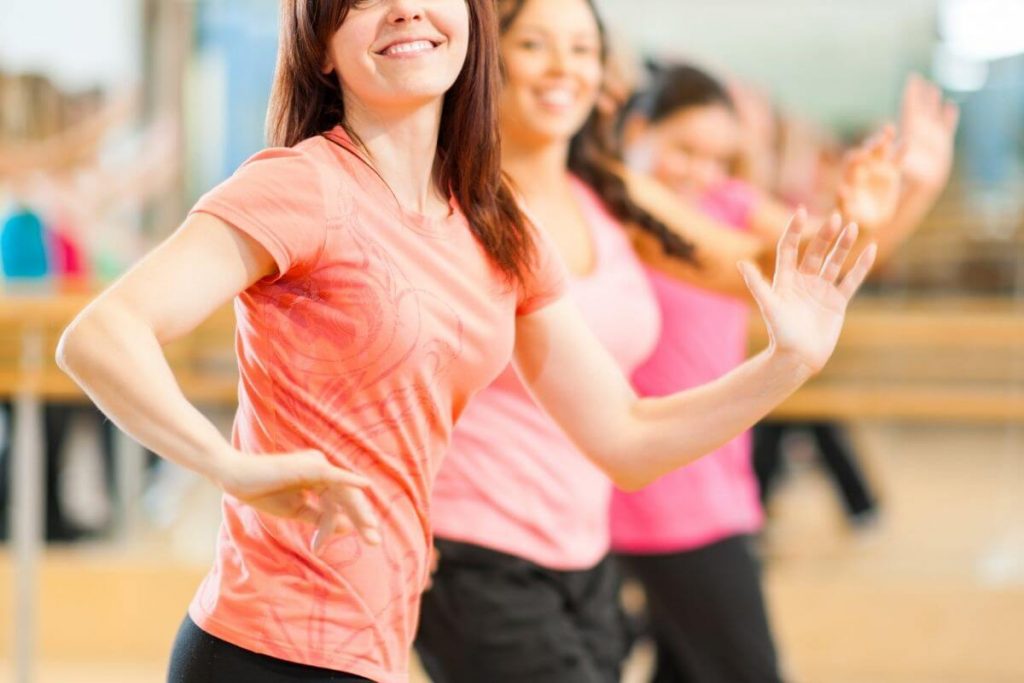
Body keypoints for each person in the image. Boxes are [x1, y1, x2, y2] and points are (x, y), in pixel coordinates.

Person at [56, 1, 875, 681]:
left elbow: (627, 435)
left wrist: (786, 363)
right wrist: (230, 466)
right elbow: (103, 334)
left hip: (374, 647)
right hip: (262, 646)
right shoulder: (300, 184)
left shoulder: (496, 222)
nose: (408, 6)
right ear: (322, 45)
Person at [416, 3, 894, 682]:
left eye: (582, 49)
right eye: (535, 45)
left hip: (587, 554)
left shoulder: (611, 196)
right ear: (487, 59)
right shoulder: (453, 203)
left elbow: (752, 261)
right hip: (470, 554)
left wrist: (852, 215)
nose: (563, 67)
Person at [613, 64, 958, 681]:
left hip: (718, 478)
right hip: (665, 493)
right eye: (684, 150)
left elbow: (842, 261)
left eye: (718, 157)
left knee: (685, 666)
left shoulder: (730, 203)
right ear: (639, 129)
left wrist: (913, 188)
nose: (700, 171)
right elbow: (774, 261)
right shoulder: (627, 219)